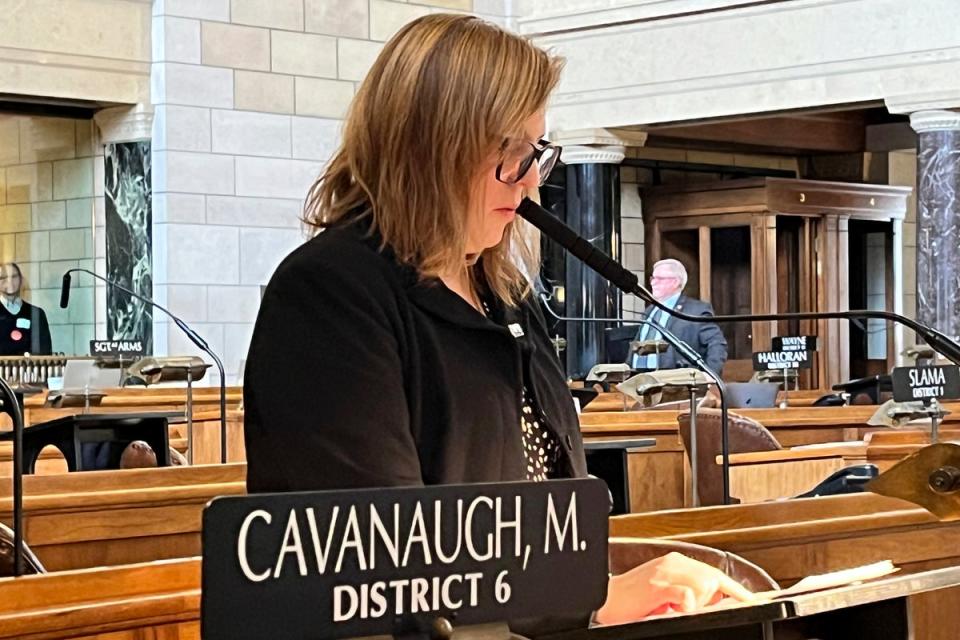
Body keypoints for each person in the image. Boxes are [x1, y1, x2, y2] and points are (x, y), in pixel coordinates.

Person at [243, 13, 752, 628]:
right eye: (509, 153)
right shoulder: (330, 292)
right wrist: (596, 600)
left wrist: (617, 588)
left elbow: (541, 507)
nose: (532, 178)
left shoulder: (504, 293)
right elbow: (384, 564)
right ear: (431, 147)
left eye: (534, 151)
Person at [629, 259, 727, 375]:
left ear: (675, 282)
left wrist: (709, 377)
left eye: (659, 279)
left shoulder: (696, 311)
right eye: (652, 278)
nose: (653, 283)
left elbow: (717, 345)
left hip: (672, 383)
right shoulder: (650, 310)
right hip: (637, 379)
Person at [0, 262, 52, 356]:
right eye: (3, 277)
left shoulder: (36, 314)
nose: (9, 281)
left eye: (14, 276)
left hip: (31, 370)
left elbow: (45, 353)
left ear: (21, 280)